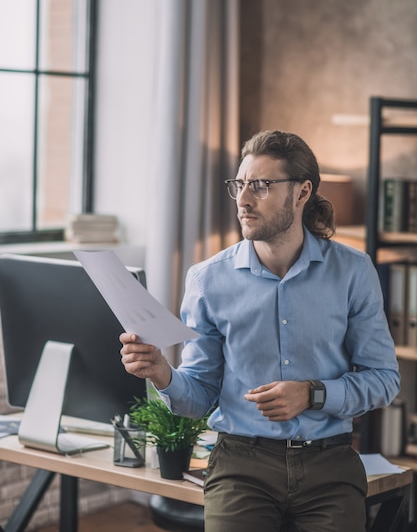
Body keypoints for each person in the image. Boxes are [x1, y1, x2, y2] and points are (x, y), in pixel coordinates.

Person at [120, 130, 400, 532]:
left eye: (262, 186)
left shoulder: (353, 272)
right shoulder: (207, 280)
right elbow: (200, 396)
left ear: (302, 193)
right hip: (241, 468)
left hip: (330, 469)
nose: (244, 200)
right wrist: (161, 373)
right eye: (240, 185)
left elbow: (385, 380)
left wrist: (312, 393)